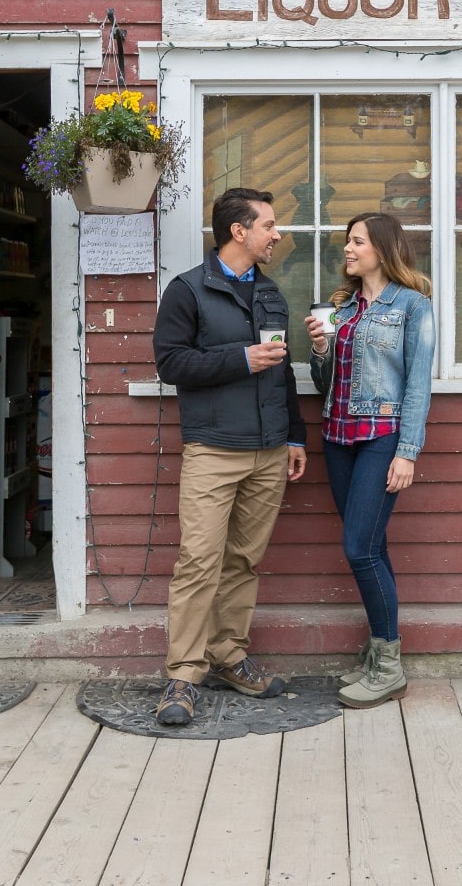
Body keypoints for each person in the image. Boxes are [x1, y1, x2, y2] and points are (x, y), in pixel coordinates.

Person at [151, 187, 307, 727]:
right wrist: (240, 358)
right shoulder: (187, 291)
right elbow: (171, 365)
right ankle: (183, 674)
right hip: (214, 450)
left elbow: (283, 371)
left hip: (269, 450)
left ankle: (229, 656)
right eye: (268, 225)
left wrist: (295, 436)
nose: (277, 233)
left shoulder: (270, 294)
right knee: (198, 563)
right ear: (238, 232)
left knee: (244, 561)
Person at [306, 212, 435, 709]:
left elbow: (419, 383)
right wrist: (321, 349)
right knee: (372, 545)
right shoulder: (342, 307)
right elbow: (325, 385)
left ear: (382, 248)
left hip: (382, 436)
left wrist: (407, 452)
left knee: (359, 548)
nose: (348, 249)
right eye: (346, 242)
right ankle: (380, 655)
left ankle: (388, 666)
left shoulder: (413, 306)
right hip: (338, 437)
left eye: (356, 241)